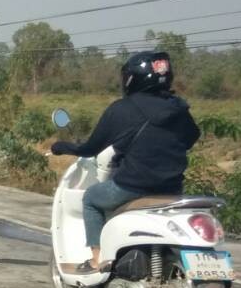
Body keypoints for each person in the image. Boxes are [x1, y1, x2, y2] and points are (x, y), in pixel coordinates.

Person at [51, 51, 200, 273]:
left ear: (132, 78)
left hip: (132, 186)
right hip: (172, 189)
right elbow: (191, 137)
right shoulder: (179, 108)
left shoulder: (123, 108)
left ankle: (96, 259)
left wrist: (61, 147)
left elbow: (91, 148)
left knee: (91, 198)